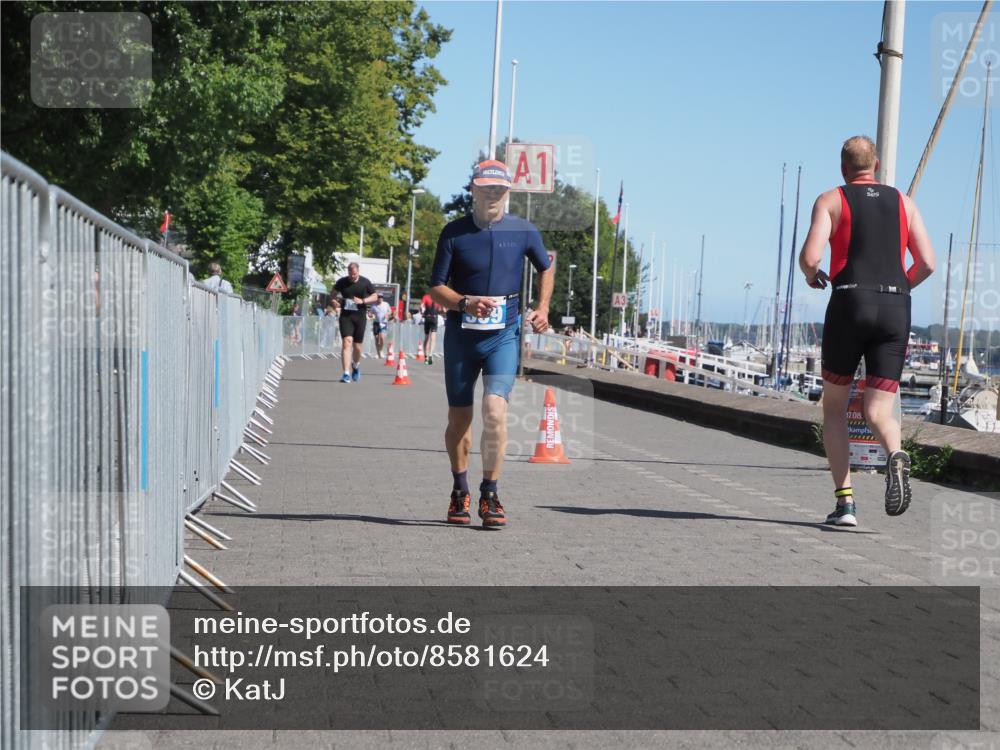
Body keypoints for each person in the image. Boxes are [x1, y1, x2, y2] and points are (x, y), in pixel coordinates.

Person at [799, 135, 935, 527]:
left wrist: (813, 276)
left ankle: (845, 505)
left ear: (843, 168)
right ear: (875, 165)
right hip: (896, 306)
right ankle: (895, 452)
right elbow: (926, 262)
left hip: (849, 301)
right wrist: (899, 288)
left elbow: (810, 257)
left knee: (836, 407)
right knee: (877, 408)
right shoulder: (904, 204)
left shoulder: (831, 199)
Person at [429, 159, 554, 529]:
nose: (493, 197)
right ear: (474, 192)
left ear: (508, 192)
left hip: (503, 336)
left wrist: (543, 307)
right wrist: (464, 302)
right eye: (486, 190)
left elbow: (546, 265)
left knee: (495, 413)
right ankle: (459, 488)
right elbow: (436, 287)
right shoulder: (454, 233)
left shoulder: (524, 230)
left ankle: (490, 492)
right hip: (461, 338)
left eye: (499, 190)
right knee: (459, 419)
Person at [333, 262, 377, 383]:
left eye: (355, 274)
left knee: (357, 346)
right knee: (347, 342)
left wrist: (363, 301)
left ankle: (356, 366)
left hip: (360, 316)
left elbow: (375, 296)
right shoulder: (342, 282)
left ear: (358, 271)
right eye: (350, 274)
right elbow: (333, 293)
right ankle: (346, 373)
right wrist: (334, 301)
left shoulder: (365, 282)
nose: (352, 276)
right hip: (346, 316)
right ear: (348, 272)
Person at [371, 294, 394, 359]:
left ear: (383, 298)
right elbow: (370, 313)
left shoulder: (386, 304)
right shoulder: (373, 305)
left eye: (381, 297)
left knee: (382, 337)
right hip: (376, 323)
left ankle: (381, 351)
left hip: (383, 322)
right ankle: (377, 352)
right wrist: (370, 315)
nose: (380, 298)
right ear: (377, 298)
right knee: (376, 338)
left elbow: (390, 311)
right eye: (379, 297)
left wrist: (387, 314)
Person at [421, 292, 440, 365]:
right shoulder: (438, 298)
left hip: (427, 318)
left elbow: (421, 307)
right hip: (434, 318)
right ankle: (430, 354)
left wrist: (422, 313)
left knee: (426, 337)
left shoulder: (426, 297)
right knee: (433, 337)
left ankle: (425, 355)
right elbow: (444, 309)